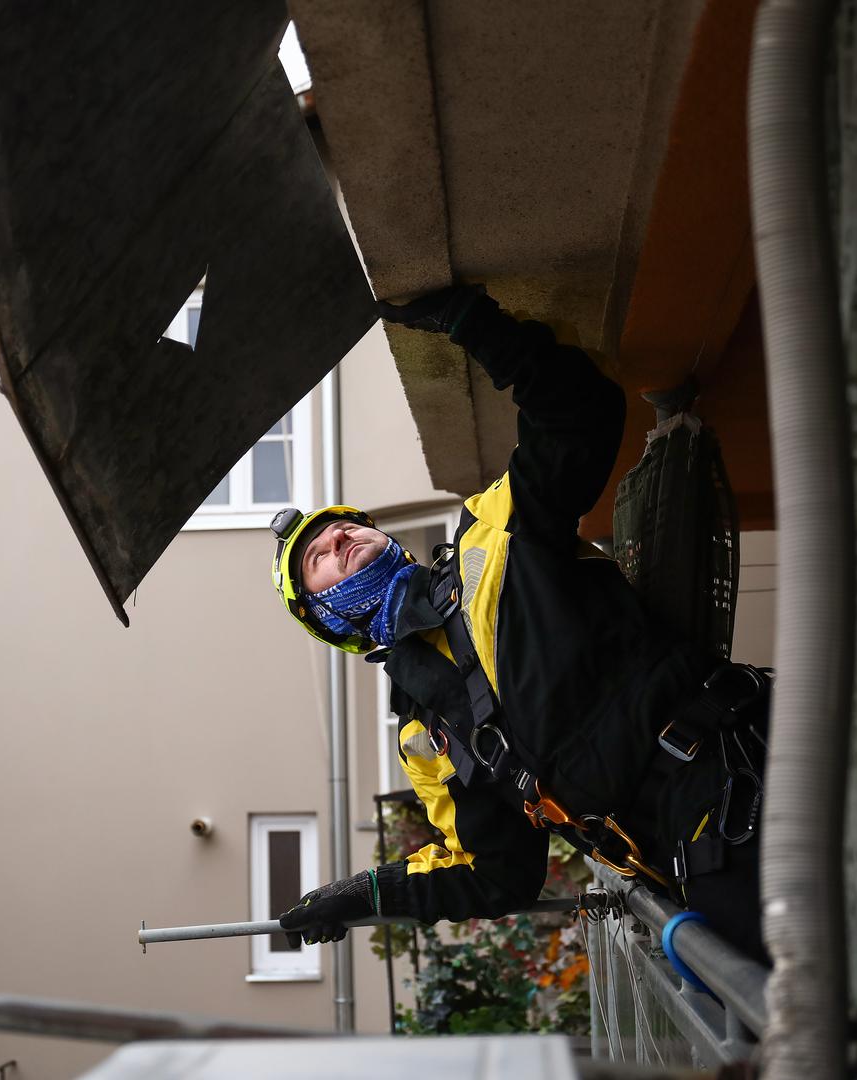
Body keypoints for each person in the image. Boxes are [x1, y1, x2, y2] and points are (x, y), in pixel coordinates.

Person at [269, 285, 770, 960]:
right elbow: (494, 873)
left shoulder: (489, 539)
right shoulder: (426, 734)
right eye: (318, 560)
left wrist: (472, 324)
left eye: (343, 528)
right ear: (328, 618)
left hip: (759, 753)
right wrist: (365, 894)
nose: (339, 541)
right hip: (704, 857)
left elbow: (577, 416)